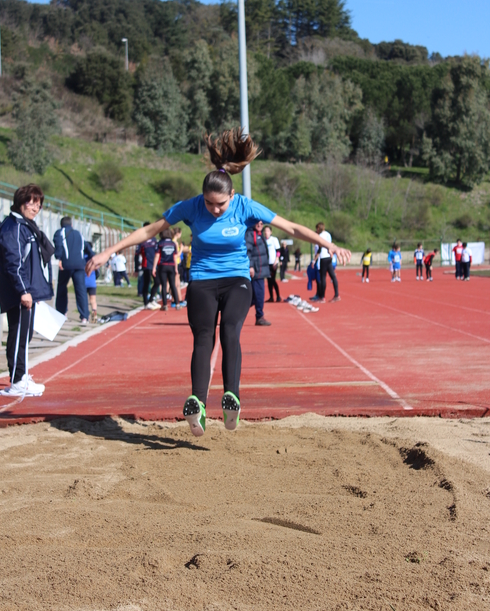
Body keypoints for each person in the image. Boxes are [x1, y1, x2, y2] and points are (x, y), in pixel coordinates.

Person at [86, 129, 351, 437]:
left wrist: (328, 245)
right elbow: (149, 231)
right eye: (209, 204)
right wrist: (109, 251)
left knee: (230, 332)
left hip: (238, 280)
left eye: (220, 205)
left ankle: (231, 397)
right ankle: (197, 401)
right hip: (202, 281)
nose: (214, 210)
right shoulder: (190, 207)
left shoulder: (245, 207)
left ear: (232, 197)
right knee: (202, 338)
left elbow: (291, 227)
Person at [0, 184, 54, 397]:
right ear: (20, 202)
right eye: (31, 202)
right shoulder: (14, 227)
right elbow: (14, 263)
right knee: (19, 335)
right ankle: (18, 380)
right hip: (20, 293)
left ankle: (20, 376)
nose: (35, 208)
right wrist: (23, 291)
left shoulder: (26, 226)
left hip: (28, 291)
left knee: (24, 335)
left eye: (38, 204)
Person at [54, 216, 90, 324]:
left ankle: (61, 313)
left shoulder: (59, 232)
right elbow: (86, 246)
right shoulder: (78, 233)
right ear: (72, 224)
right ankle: (84, 317)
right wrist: (92, 256)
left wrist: (59, 257)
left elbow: (59, 246)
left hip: (66, 265)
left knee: (61, 288)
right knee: (81, 290)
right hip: (80, 265)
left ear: (61, 225)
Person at [246, 219, 271, 325]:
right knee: (259, 294)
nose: (260, 224)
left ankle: (233, 313)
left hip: (261, 269)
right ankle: (259, 316)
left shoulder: (259, 234)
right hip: (256, 271)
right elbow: (248, 251)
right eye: (257, 222)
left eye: (261, 223)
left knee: (253, 297)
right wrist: (251, 266)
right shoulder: (251, 234)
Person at [152, 229, 182, 310]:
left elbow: (157, 255)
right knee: (173, 285)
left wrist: (154, 267)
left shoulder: (160, 243)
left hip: (163, 265)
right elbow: (175, 257)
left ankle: (165, 305)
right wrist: (176, 268)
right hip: (171, 265)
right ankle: (177, 304)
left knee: (164, 285)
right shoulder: (173, 244)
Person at [312, 222, 340, 302]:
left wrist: (314, 260)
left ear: (318, 228)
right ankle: (337, 294)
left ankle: (322, 297)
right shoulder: (328, 234)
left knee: (323, 277)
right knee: (333, 276)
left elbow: (320, 249)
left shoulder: (320, 236)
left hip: (323, 257)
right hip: (329, 257)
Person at [139, 224, 160, 308]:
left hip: (154, 265)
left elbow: (157, 252)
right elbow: (138, 253)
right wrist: (136, 267)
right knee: (146, 283)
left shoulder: (154, 240)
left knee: (157, 282)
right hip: (146, 265)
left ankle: (151, 299)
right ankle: (146, 302)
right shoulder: (142, 241)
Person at [263, 224, 282, 303]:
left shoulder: (274, 239)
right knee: (268, 280)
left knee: (273, 280)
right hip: (266, 263)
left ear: (270, 232)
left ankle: (278, 296)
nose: (266, 232)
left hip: (273, 263)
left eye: (268, 231)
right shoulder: (263, 240)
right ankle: (271, 297)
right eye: (265, 231)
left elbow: (278, 251)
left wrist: (276, 261)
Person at [83, 241, 98, 323]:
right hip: (92, 282)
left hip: (84, 282)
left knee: (84, 300)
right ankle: (94, 317)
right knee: (93, 300)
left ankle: (85, 317)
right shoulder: (93, 258)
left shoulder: (82, 257)